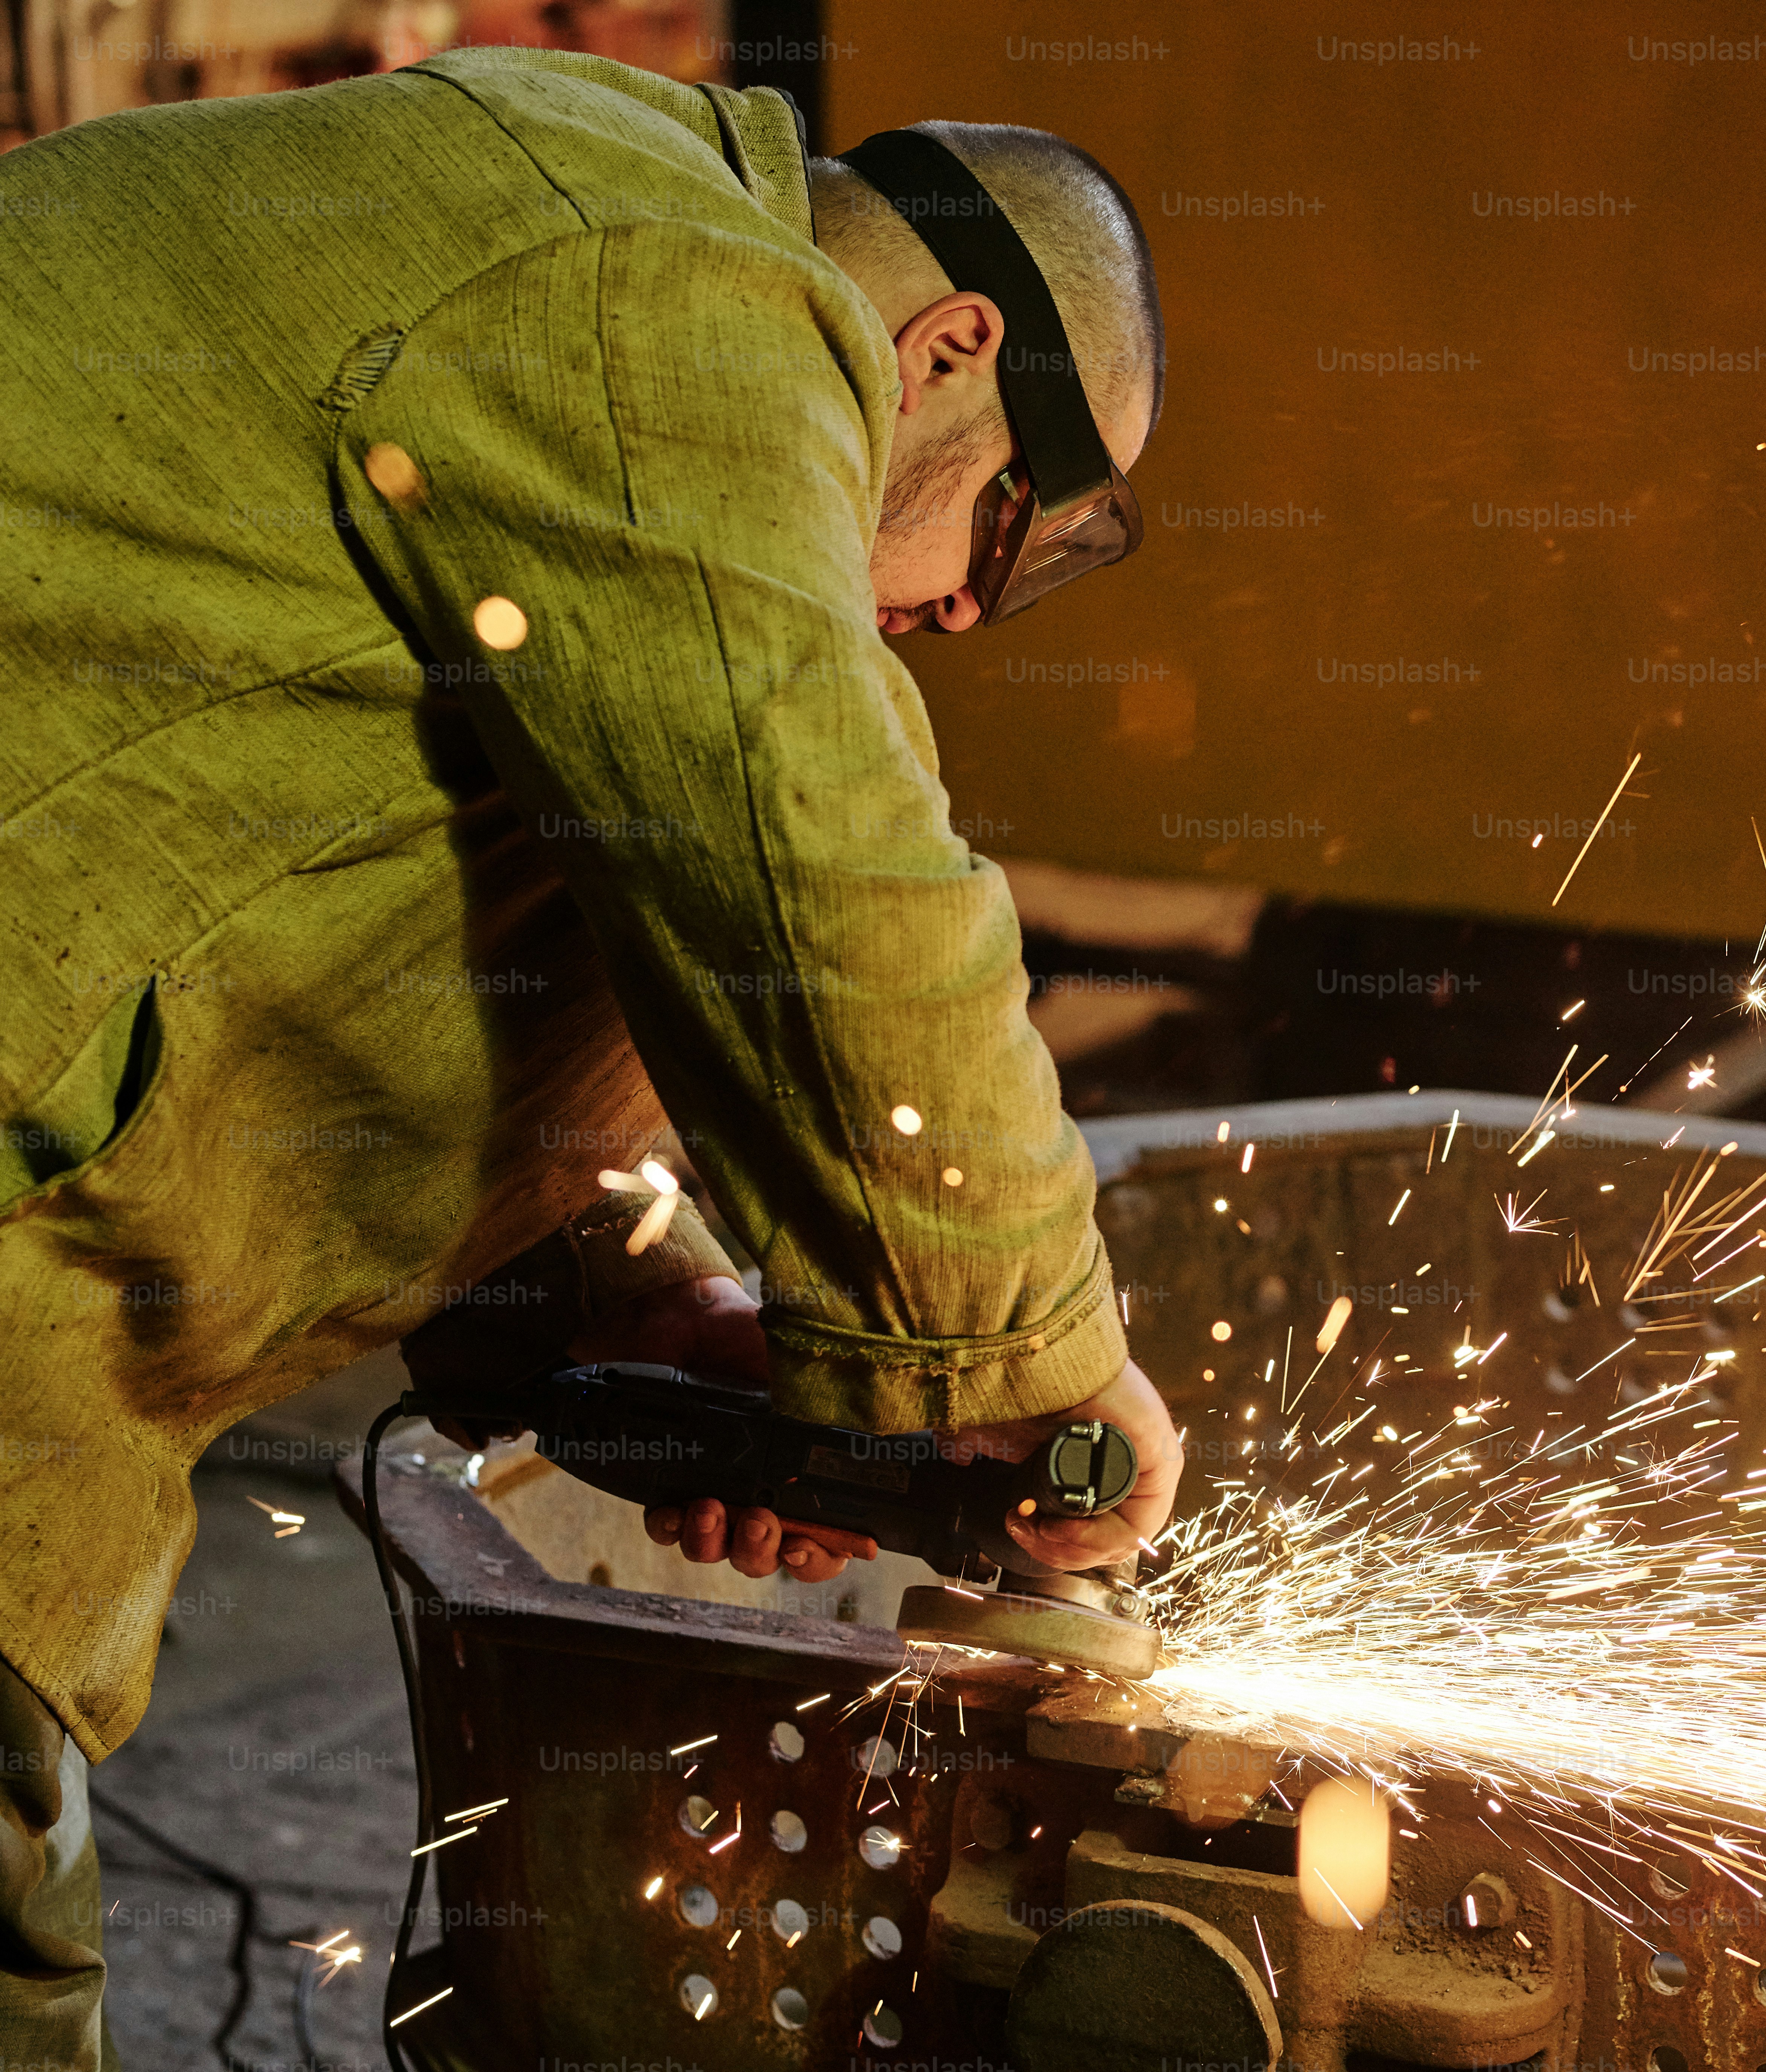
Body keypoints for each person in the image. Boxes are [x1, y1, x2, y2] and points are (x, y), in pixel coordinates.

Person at [0, 45, 1179, 2066]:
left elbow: (408, 946)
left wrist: (642, 1313)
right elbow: (817, 856)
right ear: (946, 348)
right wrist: (1041, 1365)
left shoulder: (566, 355)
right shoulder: (668, 281)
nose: (975, 615)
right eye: (1011, 537)